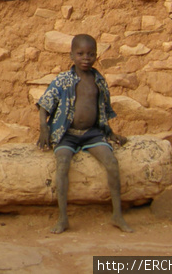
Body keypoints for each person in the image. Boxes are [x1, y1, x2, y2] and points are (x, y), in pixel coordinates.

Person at [36, 34, 133, 234]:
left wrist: (111, 133)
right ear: (71, 55)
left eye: (90, 54)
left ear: (96, 56)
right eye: (80, 54)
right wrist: (44, 128)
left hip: (92, 134)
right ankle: (63, 218)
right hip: (67, 134)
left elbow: (102, 110)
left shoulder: (99, 81)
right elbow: (44, 104)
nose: (86, 58)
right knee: (62, 164)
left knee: (112, 163)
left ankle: (117, 215)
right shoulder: (64, 80)